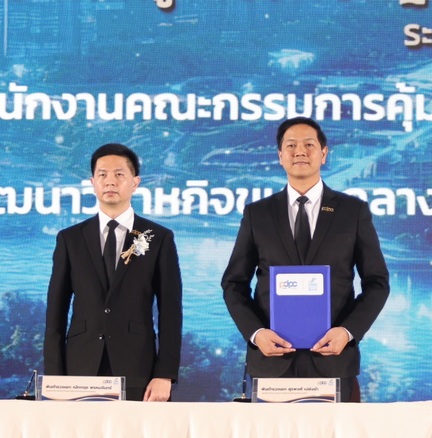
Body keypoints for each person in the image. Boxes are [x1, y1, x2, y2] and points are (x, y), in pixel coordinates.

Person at [221, 117, 390, 402]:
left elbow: (377, 282)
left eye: (309, 145)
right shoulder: (257, 214)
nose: (300, 151)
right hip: (271, 362)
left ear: (324, 154)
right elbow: (233, 284)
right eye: (291, 145)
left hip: (333, 361)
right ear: (280, 156)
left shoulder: (352, 211)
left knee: (334, 434)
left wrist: (348, 332)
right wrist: (257, 333)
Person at [44, 143, 182, 401]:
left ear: (135, 182)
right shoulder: (70, 239)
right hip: (79, 367)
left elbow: (170, 312)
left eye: (119, 174)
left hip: (137, 367)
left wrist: (165, 374)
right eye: (102, 174)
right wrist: (54, 377)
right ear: (92, 182)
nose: (110, 181)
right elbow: (55, 313)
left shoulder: (159, 237)